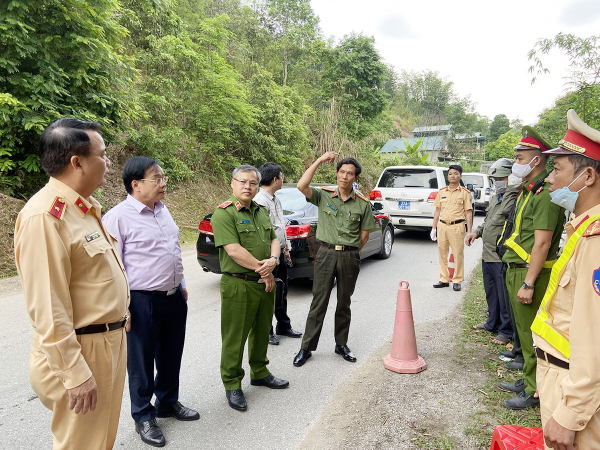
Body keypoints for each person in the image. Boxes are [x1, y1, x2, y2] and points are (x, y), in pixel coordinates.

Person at [14, 118, 130, 450]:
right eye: (103, 155)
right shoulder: (45, 218)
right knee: (82, 444)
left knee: (100, 439)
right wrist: (74, 372)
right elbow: (48, 308)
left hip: (106, 341)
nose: (109, 164)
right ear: (77, 162)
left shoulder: (83, 208)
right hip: (82, 351)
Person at [102, 157, 199, 447]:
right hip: (140, 301)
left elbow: (171, 251)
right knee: (141, 361)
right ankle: (143, 415)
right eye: (156, 178)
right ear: (136, 184)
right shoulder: (117, 217)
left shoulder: (163, 210)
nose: (163, 182)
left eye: (163, 176)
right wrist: (122, 306)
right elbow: (112, 268)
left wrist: (180, 284)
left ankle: (167, 401)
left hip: (172, 297)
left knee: (171, 353)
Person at [531, 110, 600, 450]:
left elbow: (595, 336)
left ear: (587, 176)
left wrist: (570, 413)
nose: (549, 179)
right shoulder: (582, 229)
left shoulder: (596, 241)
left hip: (575, 393)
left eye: (557, 169)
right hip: (559, 374)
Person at [211, 165, 289, 412]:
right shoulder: (224, 214)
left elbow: (274, 239)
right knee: (235, 336)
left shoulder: (261, 210)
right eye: (242, 182)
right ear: (232, 184)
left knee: (262, 330)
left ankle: (260, 371)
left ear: (258, 186)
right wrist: (264, 270)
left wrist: (274, 261)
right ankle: (233, 384)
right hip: (239, 284)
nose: (247, 186)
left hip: (263, 282)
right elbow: (233, 250)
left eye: (252, 183)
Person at [500, 126, 565, 410]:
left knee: (532, 336)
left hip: (530, 273)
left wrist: (528, 283)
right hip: (517, 268)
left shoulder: (545, 195)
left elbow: (542, 243)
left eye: (519, 155)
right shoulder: (530, 190)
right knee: (524, 333)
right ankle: (528, 378)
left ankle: (534, 390)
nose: (515, 160)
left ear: (536, 159)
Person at [292, 152, 375, 367]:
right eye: (341, 172)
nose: (344, 177)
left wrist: (350, 252)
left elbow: (364, 236)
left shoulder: (363, 205)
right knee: (319, 301)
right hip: (326, 254)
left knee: (344, 302)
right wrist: (319, 161)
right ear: (337, 174)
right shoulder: (324, 196)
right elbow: (302, 186)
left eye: (349, 174)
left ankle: (341, 344)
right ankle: (306, 347)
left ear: (355, 178)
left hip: (349, 256)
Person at [466, 158, 517, 345]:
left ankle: (505, 331)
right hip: (487, 253)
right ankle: (491, 323)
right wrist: (476, 233)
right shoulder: (497, 196)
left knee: (503, 295)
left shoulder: (515, 198)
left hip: (501, 255)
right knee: (491, 291)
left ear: (511, 177)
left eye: (501, 178)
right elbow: (489, 220)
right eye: (495, 179)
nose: (497, 182)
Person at [254, 162, 303, 345]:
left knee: (282, 290)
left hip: (280, 253)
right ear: (275, 179)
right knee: (269, 292)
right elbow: (264, 233)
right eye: (281, 176)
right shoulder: (260, 201)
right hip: (268, 256)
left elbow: (279, 226)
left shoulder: (275, 199)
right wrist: (271, 257)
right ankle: (267, 330)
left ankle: (284, 325)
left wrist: (286, 247)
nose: (282, 179)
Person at [431, 164, 473, 291]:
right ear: (447, 176)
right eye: (450, 174)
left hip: (457, 226)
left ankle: (457, 280)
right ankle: (443, 279)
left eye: (455, 173)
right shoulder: (442, 191)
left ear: (460, 176)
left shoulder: (465, 193)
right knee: (442, 253)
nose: (452, 176)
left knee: (457, 254)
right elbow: (437, 210)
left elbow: (468, 212)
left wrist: (469, 231)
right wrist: (434, 228)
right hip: (442, 225)